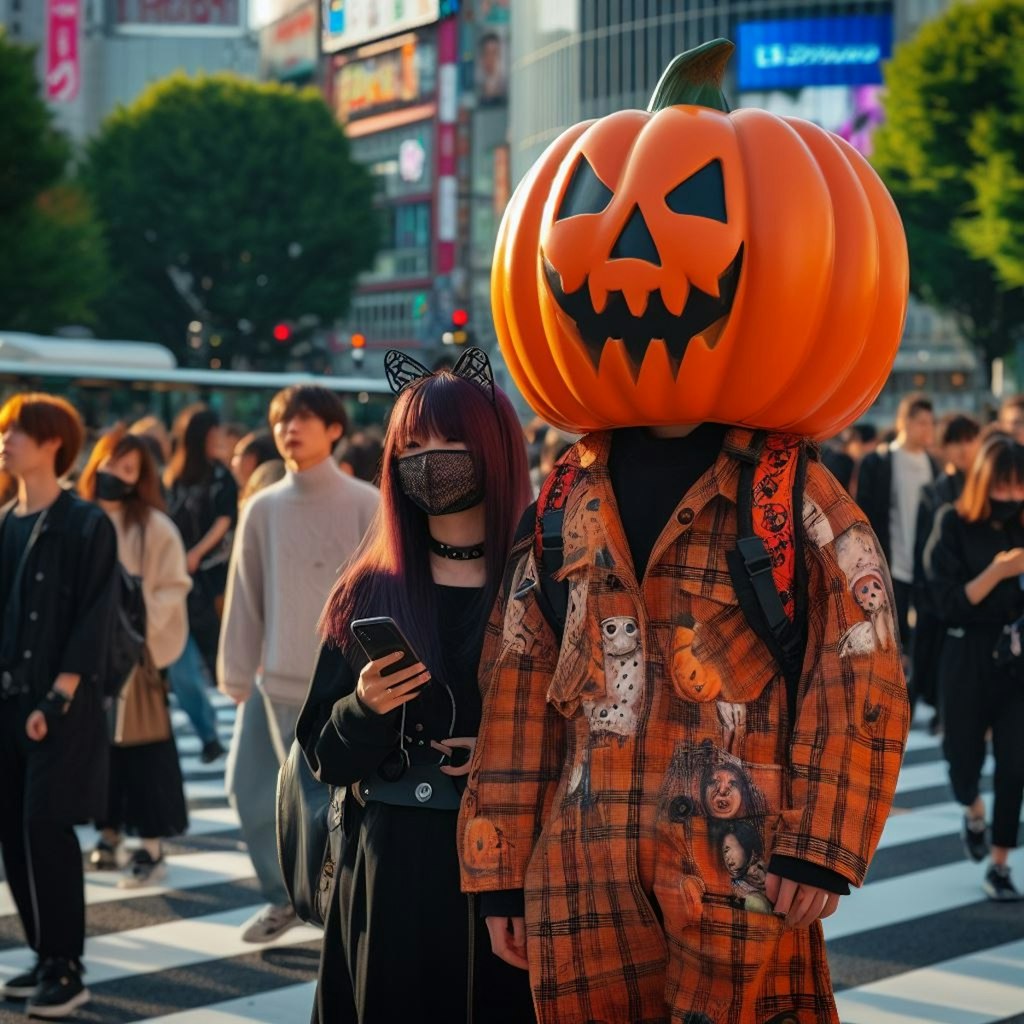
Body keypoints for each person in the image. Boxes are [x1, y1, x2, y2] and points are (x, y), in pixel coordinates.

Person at [456, 40, 911, 1024]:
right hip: (579, 862)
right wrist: (498, 866)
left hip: (740, 861)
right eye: (592, 217)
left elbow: (858, 663)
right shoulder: (563, 495)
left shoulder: (794, 496)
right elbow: (520, 681)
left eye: (696, 207)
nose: (627, 254)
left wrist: (820, 844)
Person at [295, 351, 535, 1023]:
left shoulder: (540, 583)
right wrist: (365, 706)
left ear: (494, 450)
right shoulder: (371, 588)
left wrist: (501, 755)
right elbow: (322, 751)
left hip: (508, 868)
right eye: (413, 446)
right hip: (389, 865)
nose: (429, 460)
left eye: (451, 442)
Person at [218, 387, 379, 944]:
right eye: (283, 418)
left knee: (324, 809)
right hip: (272, 678)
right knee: (247, 790)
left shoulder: (366, 502)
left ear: (334, 429)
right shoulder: (261, 506)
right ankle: (285, 895)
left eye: (304, 418)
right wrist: (236, 671)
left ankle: (334, 911)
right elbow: (246, 593)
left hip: (337, 686)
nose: (291, 428)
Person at [0, 393, 119, 1018]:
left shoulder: (84, 522)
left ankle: (67, 966)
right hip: (7, 700)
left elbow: (94, 618)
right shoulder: (5, 520)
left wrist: (59, 694)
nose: (6, 439)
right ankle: (45, 955)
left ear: (54, 443)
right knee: (12, 833)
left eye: (19, 429)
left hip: (60, 705)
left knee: (47, 828)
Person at [79, 426, 192, 887]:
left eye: (128, 468)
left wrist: (132, 624)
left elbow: (173, 588)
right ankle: (107, 834)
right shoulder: (78, 516)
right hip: (83, 658)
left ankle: (151, 843)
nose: (116, 474)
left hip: (135, 659)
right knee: (94, 750)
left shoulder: (154, 526)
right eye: (110, 462)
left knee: (145, 751)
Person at [925, 434, 1024, 900]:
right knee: (962, 760)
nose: (1010, 498)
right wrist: (999, 572)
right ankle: (972, 808)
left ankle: (1000, 864)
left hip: (1016, 660)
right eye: (1001, 488)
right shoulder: (952, 523)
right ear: (983, 483)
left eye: (1018, 487)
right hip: (965, 656)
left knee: (1015, 764)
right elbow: (947, 604)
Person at [164, 404, 236, 762]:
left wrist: (195, 553)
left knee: (216, 659)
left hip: (209, 581)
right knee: (183, 669)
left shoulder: (221, 475)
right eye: (213, 435)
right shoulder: (172, 477)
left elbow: (225, 520)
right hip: (174, 581)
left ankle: (229, 730)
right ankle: (208, 734)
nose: (219, 441)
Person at [912, 414, 982, 727]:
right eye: (956, 442)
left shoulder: (989, 486)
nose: (963, 449)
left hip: (977, 588)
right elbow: (922, 543)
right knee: (934, 655)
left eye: (969, 440)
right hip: (939, 587)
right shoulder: (935, 490)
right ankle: (941, 713)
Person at [856, 393, 939, 650]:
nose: (928, 429)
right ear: (905, 422)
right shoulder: (879, 462)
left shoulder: (933, 466)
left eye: (930, 422)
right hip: (890, 562)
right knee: (890, 636)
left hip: (924, 564)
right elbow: (864, 512)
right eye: (922, 422)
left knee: (923, 634)